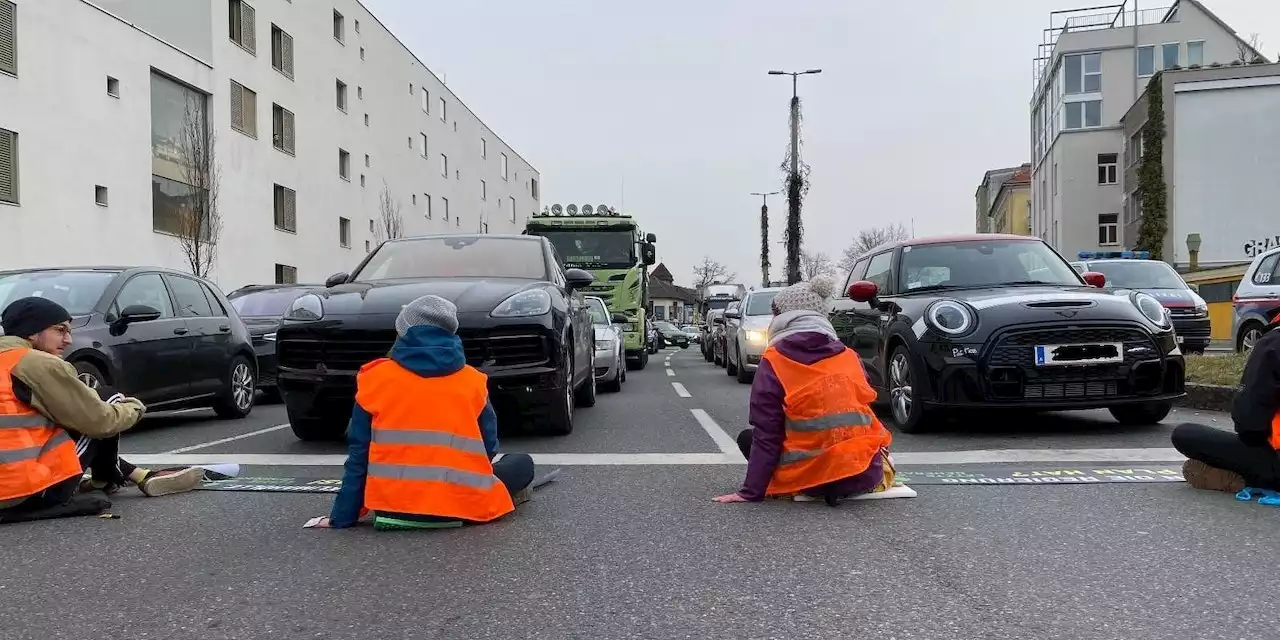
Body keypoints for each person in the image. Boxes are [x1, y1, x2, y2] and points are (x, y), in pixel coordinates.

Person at [312, 294, 535, 530]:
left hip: (392, 508)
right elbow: (488, 447)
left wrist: (341, 518)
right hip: (462, 506)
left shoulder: (374, 379)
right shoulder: (473, 382)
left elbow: (359, 456)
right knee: (521, 462)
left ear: (402, 331)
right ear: (451, 333)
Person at [0, 297, 205, 523]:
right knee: (108, 399)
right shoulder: (34, 363)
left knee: (67, 414)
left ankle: (122, 475)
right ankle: (110, 478)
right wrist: (134, 407)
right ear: (31, 331)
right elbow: (100, 421)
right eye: (60, 330)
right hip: (22, 492)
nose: (68, 339)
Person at [713, 276, 896, 506]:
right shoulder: (849, 357)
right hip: (862, 473)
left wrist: (750, 492)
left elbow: (767, 434)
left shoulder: (774, 361)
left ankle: (807, 479)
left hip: (808, 480)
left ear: (781, 317)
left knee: (747, 438)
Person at [1171, 314, 1280, 492]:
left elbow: (1249, 425)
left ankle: (1245, 476)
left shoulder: (1273, 344)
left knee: (1185, 434)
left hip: (1275, 462)